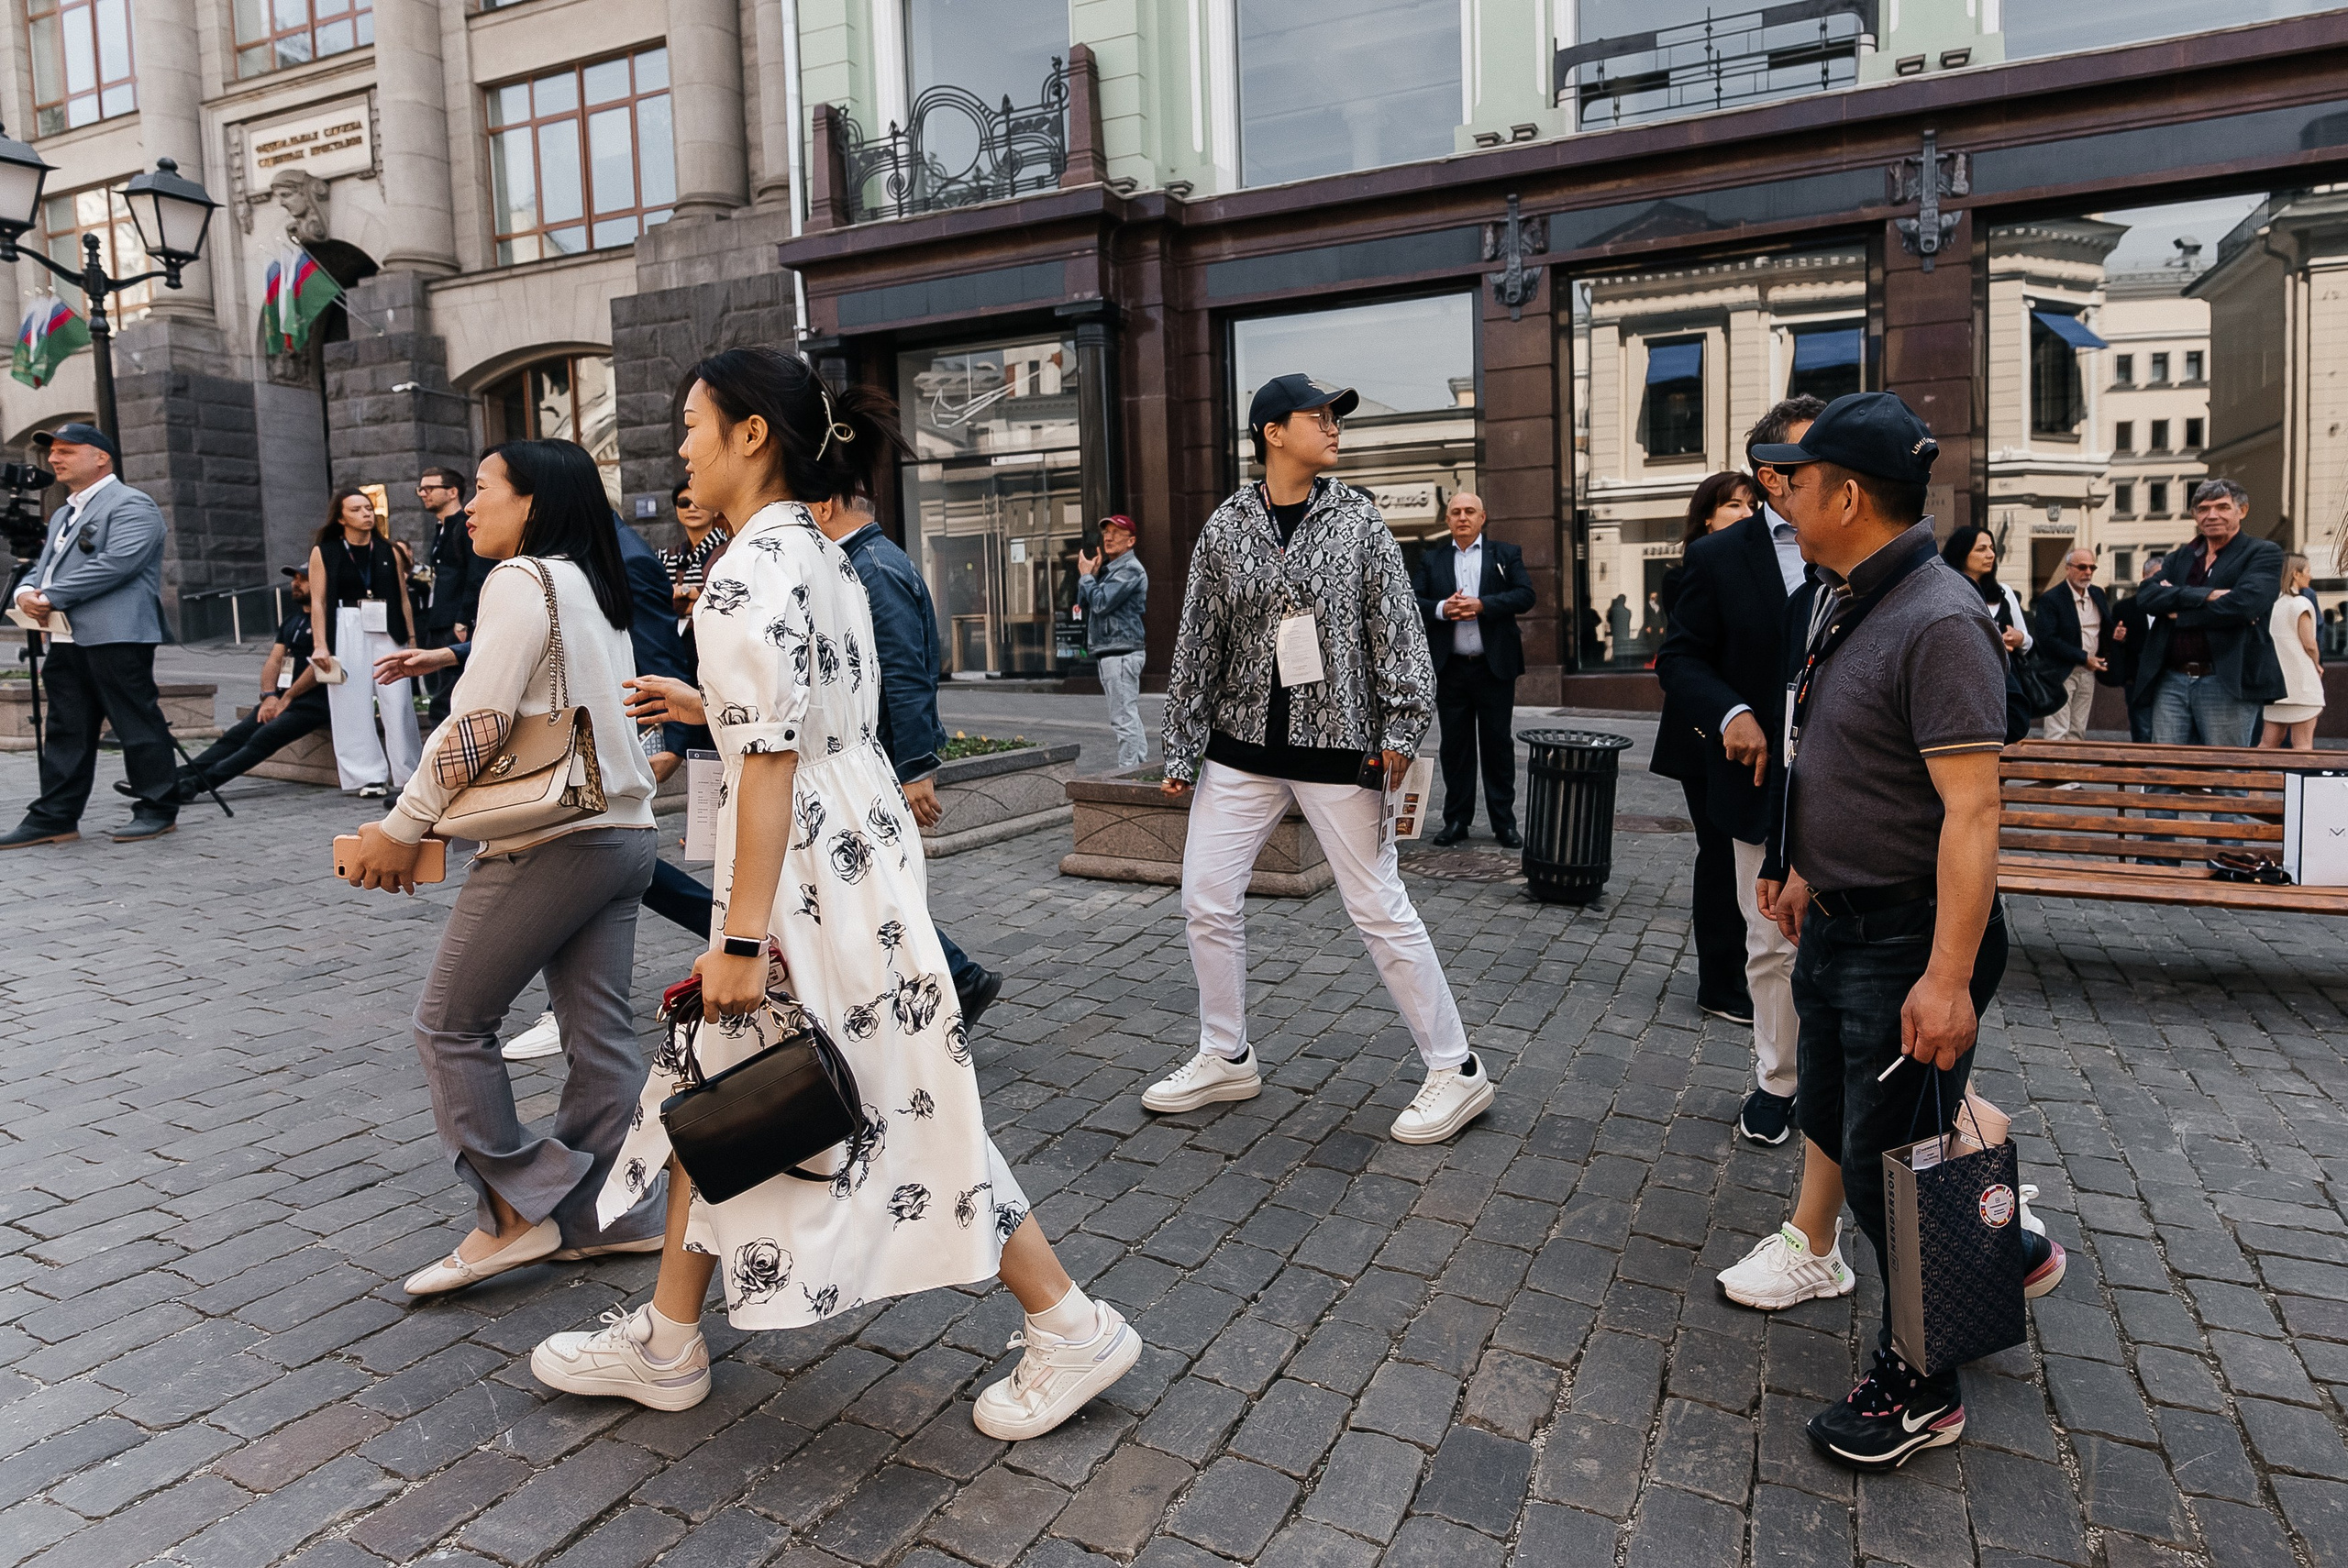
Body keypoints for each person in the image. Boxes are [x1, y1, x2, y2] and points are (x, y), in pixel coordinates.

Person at [530, 348, 1143, 1441]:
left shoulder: (742, 570)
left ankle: (1068, 1322)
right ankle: (668, 1339)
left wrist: (739, 936)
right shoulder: (815, 549)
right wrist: (711, 700)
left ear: (749, 435)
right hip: (854, 845)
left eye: (689, 424)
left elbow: (771, 765)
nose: (678, 445)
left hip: (809, 872)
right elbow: (810, 719)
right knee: (729, 1096)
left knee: (883, 1102)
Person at [1748, 392, 2045, 1471]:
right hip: (1840, 920)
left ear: (1849, 495)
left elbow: (1973, 811)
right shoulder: (1848, 596)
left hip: (1907, 942)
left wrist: (1948, 978)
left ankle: (1923, 1384)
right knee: (1840, 1122)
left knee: (1891, 1164)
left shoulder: (1937, 616)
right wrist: (1799, 864)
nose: (1785, 495)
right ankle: (2004, 1248)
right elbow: (1831, 751)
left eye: (1799, 479)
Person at [338, 438, 666, 1293]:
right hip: (623, 833)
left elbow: (479, 725)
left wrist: (402, 825)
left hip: (549, 837)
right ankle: (614, 1213)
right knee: (600, 1037)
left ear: (534, 502)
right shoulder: (595, 585)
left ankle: (518, 1213)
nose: (470, 506)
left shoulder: (520, 579)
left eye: (485, 489)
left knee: (448, 1022)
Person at [1149, 372, 1489, 1144]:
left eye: (1337, 417)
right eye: (1319, 417)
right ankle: (1225, 1052)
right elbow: (1200, 640)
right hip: (1239, 751)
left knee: (1377, 908)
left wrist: (1402, 730)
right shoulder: (1226, 526)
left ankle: (1457, 1069)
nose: (1334, 427)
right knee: (1205, 898)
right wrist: (1182, 744)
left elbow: (1398, 631)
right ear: (1273, 432)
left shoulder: (1359, 522)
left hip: (1340, 749)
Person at [1655, 410, 1817, 1142]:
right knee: (1773, 941)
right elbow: (1682, 658)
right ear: (1772, 473)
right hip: (1759, 784)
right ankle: (1776, 1082)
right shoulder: (1720, 558)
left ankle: (1844, 1083)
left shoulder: (1863, 544)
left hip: (1856, 781)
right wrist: (1730, 715)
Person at [1, 423, 179, 847]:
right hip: (66, 638)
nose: (55, 459)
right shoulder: (64, 512)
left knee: (136, 722)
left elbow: (119, 562)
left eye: (67, 450)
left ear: (101, 457)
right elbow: (44, 565)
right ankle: (55, 817)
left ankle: (157, 808)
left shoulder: (133, 504)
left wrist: (51, 596)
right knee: (66, 727)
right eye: (53, 452)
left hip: (117, 635)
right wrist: (27, 590)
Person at [1412, 491, 1534, 847]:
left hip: (1493, 667)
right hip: (1450, 670)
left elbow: (1525, 595)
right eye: (1455, 512)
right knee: (1455, 748)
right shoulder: (1431, 560)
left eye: (1470, 511)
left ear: (1483, 518)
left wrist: (1483, 605)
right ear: (1447, 520)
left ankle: (1504, 823)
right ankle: (1456, 821)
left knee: (1497, 745)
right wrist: (1441, 610)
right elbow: (1411, 600)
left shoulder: (1505, 555)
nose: (1462, 517)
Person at [153, 562, 331, 801]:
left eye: (303, 579)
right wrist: (269, 696)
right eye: (294, 578)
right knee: (234, 736)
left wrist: (287, 697)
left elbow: (319, 666)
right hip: (281, 699)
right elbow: (275, 659)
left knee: (264, 737)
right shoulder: (292, 620)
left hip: (313, 701)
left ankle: (192, 787)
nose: (295, 584)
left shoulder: (330, 620)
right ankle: (173, 778)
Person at [2133, 480, 2284, 747]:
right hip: (2171, 679)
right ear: (2195, 515)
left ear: (2242, 511)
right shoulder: (2182, 556)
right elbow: (2146, 596)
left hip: (2225, 679)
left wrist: (2179, 613)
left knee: (2224, 775)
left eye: (2222, 507)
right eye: (2203, 509)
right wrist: (2207, 595)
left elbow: (2243, 605)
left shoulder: (2262, 553)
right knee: (2164, 773)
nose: (2212, 515)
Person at [309, 488, 422, 799]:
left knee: (397, 699)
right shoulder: (326, 551)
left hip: (387, 624)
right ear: (341, 517)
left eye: (369, 508)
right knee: (350, 700)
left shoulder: (388, 550)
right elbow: (317, 601)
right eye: (357, 509)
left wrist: (412, 639)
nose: (366, 514)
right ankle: (367, 775)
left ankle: (408, 773)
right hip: (345, 621)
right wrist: (321, 645)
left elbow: (403, 597)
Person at [1941, 525, 2033, 744]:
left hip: (2003, 686)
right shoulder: (1945, 591)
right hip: (1965, 687)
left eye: (1992, 548)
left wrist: (2018, 638)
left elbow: (2027, 641)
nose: (1990, 554)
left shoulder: (2003, 592)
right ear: (1962, 553)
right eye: (1981, 549)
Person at [418, 466, 492, 724]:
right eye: (421, 488)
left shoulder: (465, 526)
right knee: (440, 691)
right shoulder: (441, 529)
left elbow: (476, 574)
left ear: (452, 492)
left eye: (429, 488)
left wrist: (464, 620)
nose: (423, 493)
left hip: (456, 623)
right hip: (439, 620)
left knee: (449, 698)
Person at [1077, 513, 1149, 770]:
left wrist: (1087, 577)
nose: (1108, 537)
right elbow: (1084, 604)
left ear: (1131, 541)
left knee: (1123, 719)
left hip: (1121, 653)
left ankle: (1127, 773)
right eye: (1106, 532)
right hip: (1112, 652)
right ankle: (1140, 769)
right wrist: (1091, 574)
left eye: (1116, 533)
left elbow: (1100, 602)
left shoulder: (1129, 570)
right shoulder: (1110, 571)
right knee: (1128, 715)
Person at [2032, 549, 2109, 742]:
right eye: (2082, 567)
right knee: (2058, 730)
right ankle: (2055, 771)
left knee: (2078, 729)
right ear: (2068, 569)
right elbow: (2048, 639)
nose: (2088, 572)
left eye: (2092, 567)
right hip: (2061, 672)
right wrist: (2083, 658)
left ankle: (2073, 770)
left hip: (2088, 672)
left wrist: (2116, 635)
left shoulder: (2097, 594)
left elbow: (2104, 626)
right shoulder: (2052, 599)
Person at [2261, 553, 2324, 748]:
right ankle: (2300, 780)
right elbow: (2309, 644)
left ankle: (2256, 778)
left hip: (2275, 684)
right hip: (2302, 684)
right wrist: (2317, 664)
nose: (2310, 576)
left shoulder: (2270, 605)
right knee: (2303, 745)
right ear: (2295, 574)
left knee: (2267, 744)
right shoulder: (2301, 604)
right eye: (2307, 571)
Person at [2107, 555, 2165, 742]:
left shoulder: (2174, 606)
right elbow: (2117, 643)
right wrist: (2119, 639)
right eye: (2157, 576)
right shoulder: (2124, 608)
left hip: (2168, 679)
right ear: (2144, 576)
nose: (2162, 582)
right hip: (2138, 681)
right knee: (2143, 732)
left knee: (2168, 733)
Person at [659, 482, 730, 620]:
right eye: (684, 503)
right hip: (676, 637)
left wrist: (680, 592)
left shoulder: (729, 551)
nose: (692, 508)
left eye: (699, 503)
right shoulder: (666, 556)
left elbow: (724, 600)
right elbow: (660, 600)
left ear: (715, 511)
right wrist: (697, 594)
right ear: (676, 509)